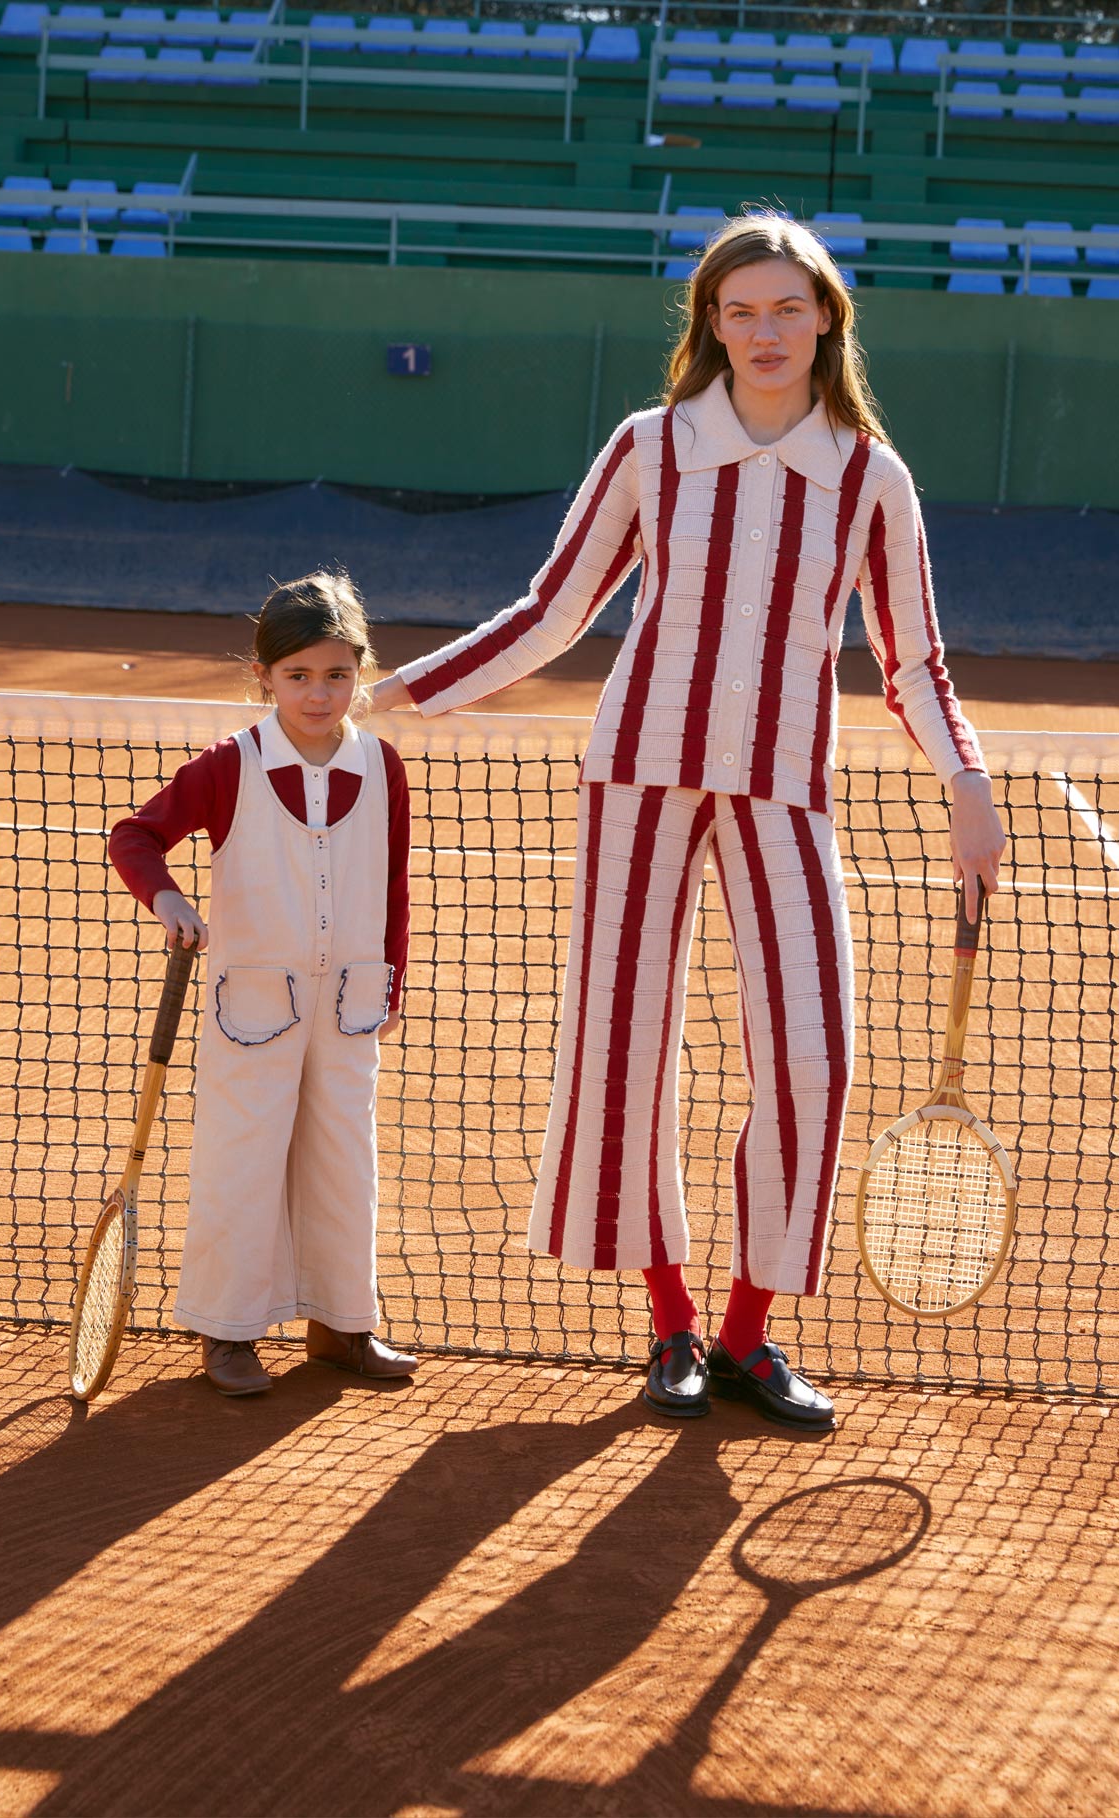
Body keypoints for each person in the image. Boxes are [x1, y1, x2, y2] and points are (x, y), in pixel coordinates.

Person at [370, 214, 1006, 1430]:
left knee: (814, 1059)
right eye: (739, 311)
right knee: (622, 1047)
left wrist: (965, 785)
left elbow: (913, 660)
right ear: (710, 324)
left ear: (826, 317)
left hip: (786, 788)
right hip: (639, 775)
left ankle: (749, 1337)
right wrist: (404, 692)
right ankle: (668, 1325)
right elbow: (555, 611)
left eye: (786, 309)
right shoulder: (650, 448)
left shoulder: (873, 476)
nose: (764, 333)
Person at [109, 571, 416, 1397]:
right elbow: (136, 837)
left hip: (351, 1001)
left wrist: (392, 979)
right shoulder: (226, 766)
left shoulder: (384, 767)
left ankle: (342, 1325)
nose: (319, 695)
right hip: (251, 1005)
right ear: (264, 678)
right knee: (241, 1161)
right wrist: (166, 897)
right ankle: (229, 1331)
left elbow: (394, 885)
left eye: (338, 674)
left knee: (346, 1159)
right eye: (298, 676)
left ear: (362, 670)